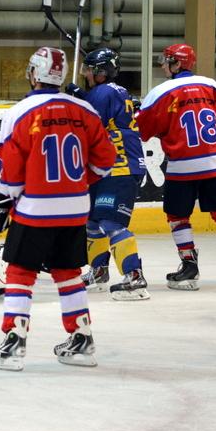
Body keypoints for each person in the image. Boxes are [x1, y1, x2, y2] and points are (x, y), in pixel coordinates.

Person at [0, 46, 117, 372]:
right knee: (67, 271)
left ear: (33, 74)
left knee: (20, 271)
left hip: (35, 209)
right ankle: (81, 339)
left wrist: (1, 199)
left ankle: (14, 341)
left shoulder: (20, 112)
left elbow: (11, 168)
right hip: (75, 208)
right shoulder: (85, 109)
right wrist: (77, 183)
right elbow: (105, 161)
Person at [136, 43, 216, 292]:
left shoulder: (160, 92)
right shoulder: (211, 85)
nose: (163, 66)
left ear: (177, 63)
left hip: (182, 165)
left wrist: (138, 112)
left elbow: (143, 130)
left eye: (166, 61)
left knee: (177, 216)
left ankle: (189, 266)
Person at [67, 48, 149, 300]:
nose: (86, 74)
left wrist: (74, 102)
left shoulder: (103, 93)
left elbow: (88, 126)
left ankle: (135, 277)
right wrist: (81, 96)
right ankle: (99, 272)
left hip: (120, 167)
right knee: (92, 221)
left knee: (111, 223)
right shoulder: (111, 91)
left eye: (89, 70)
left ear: (101, 72)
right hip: (109, 168)